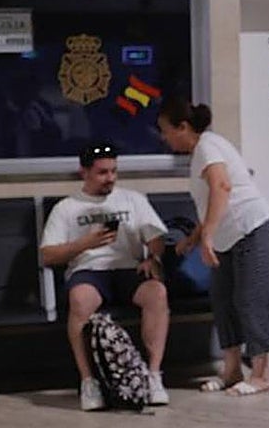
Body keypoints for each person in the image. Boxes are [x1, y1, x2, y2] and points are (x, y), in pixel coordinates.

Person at [157, 99, 269, 397]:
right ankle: (232, 370)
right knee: (224, 300)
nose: (164, 137)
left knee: (252, 299)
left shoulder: (207, 146)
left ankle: (262, 374)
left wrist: (208, 236)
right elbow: (211, 202)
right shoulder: (201, 151)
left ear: (183, 127)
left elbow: (221, 187)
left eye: (165, 130)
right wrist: (196, 237)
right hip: (229, 236)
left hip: (252, 228)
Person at [39, 143, 171, 411]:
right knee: (80, 299)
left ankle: (153, 376)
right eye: (102, 173)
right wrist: (84, 244)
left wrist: (152, 258)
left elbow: (156, 238)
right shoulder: (66, 208)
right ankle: (89, 381)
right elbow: (48, 256)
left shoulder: (133, 199)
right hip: (89, 271)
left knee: (157, 293)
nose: (109, 178)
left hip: (127, 269)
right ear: (84, 172)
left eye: (113, 171)